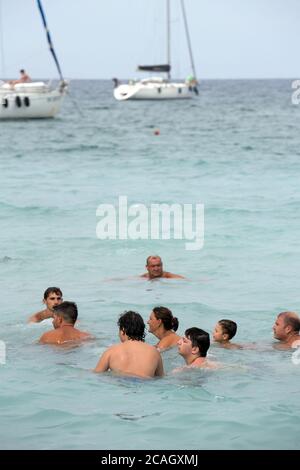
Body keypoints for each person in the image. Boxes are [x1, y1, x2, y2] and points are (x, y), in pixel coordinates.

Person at [94, 311, 164, 378]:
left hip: (120, 382)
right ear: (142, 330)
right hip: (143, 384)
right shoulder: (154, 352)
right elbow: (160, 377)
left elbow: (97, 374)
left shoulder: (111, 351)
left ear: (123, 330)